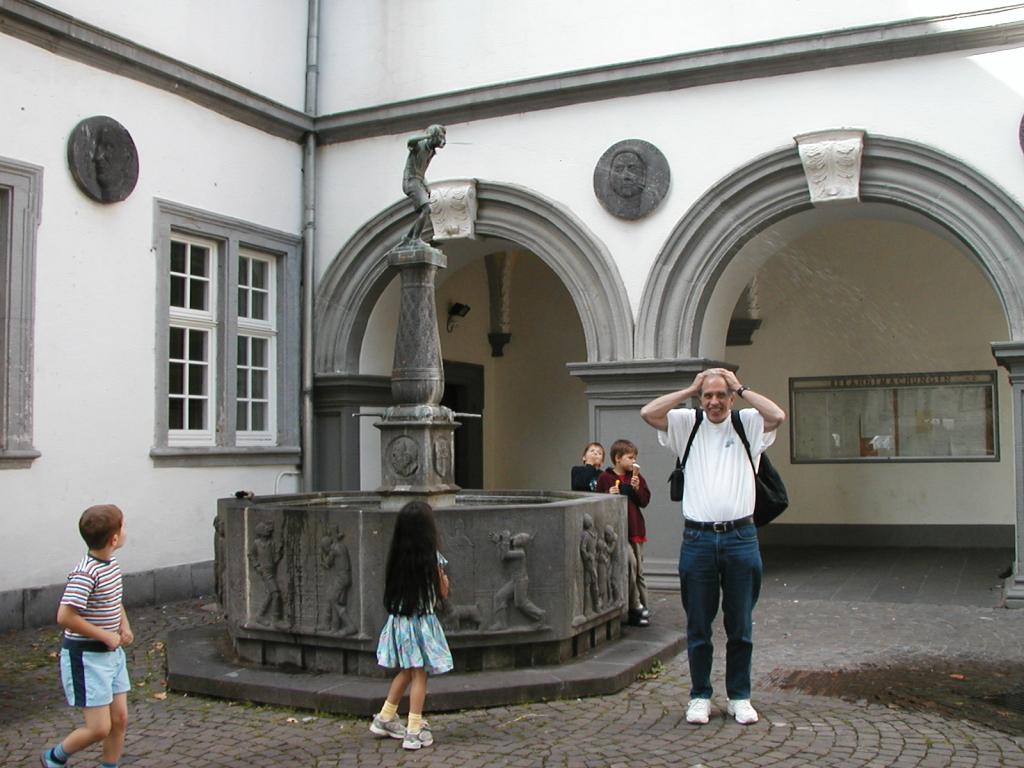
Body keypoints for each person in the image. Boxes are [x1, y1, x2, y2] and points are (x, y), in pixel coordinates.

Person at [641, 368, 786, 726]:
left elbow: (777, 415)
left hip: (741, 538)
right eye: (708, 396)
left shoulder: (747, 423)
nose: (714, 402)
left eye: (721, 395)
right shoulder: (687, 423)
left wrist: (740, 386)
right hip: (698, 539)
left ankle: (739, 696)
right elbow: (649, 413)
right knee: (699, 625)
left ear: (731, 397)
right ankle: (700, 695)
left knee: (740, 625)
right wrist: (690, 388)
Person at [41, 504, 133, 768]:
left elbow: (114, 600)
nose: (126, 531)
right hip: (86, 658)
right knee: (99, 728)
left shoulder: (110, 565)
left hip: (112, 656)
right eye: (123, 526)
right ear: (114, 539)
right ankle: (54, 757)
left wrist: (124, 626)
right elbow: (65, 616)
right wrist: (105, 635)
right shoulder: (86, 572)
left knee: (119, 720)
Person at [370, 501, 453, 751]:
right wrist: (445, 580)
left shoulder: (397, 560)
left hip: (400, 623)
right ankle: (414, 729)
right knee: (419, 675)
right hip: (422, 624)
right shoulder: (432, 561)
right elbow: (443, 593)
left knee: (406, 671)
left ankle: (385, 717)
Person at [595, 439, 651, 627]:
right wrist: (608, 495)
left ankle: (643, 606)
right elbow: (597, 501)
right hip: (617, 530)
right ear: (618, 459)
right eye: (630, 457)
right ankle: (634, 605)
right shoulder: (605, 477)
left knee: (638, 570)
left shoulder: (636, 477)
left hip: (635, 528)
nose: (634, 461)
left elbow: (644, 500)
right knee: (629, 563)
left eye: (635, 457)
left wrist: (636, 488)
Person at [402, 124, 447, 242]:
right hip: (411, 181)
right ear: (434, 135)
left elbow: (421, 171)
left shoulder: (430, 152)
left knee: (425, 210)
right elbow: (410, 141)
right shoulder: (419, 145)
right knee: (426, 209)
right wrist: (427, 136)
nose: (443, 141)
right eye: (441, 137)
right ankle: (415, 239)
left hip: (419, 181)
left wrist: (426, 186)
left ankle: (408, 238)